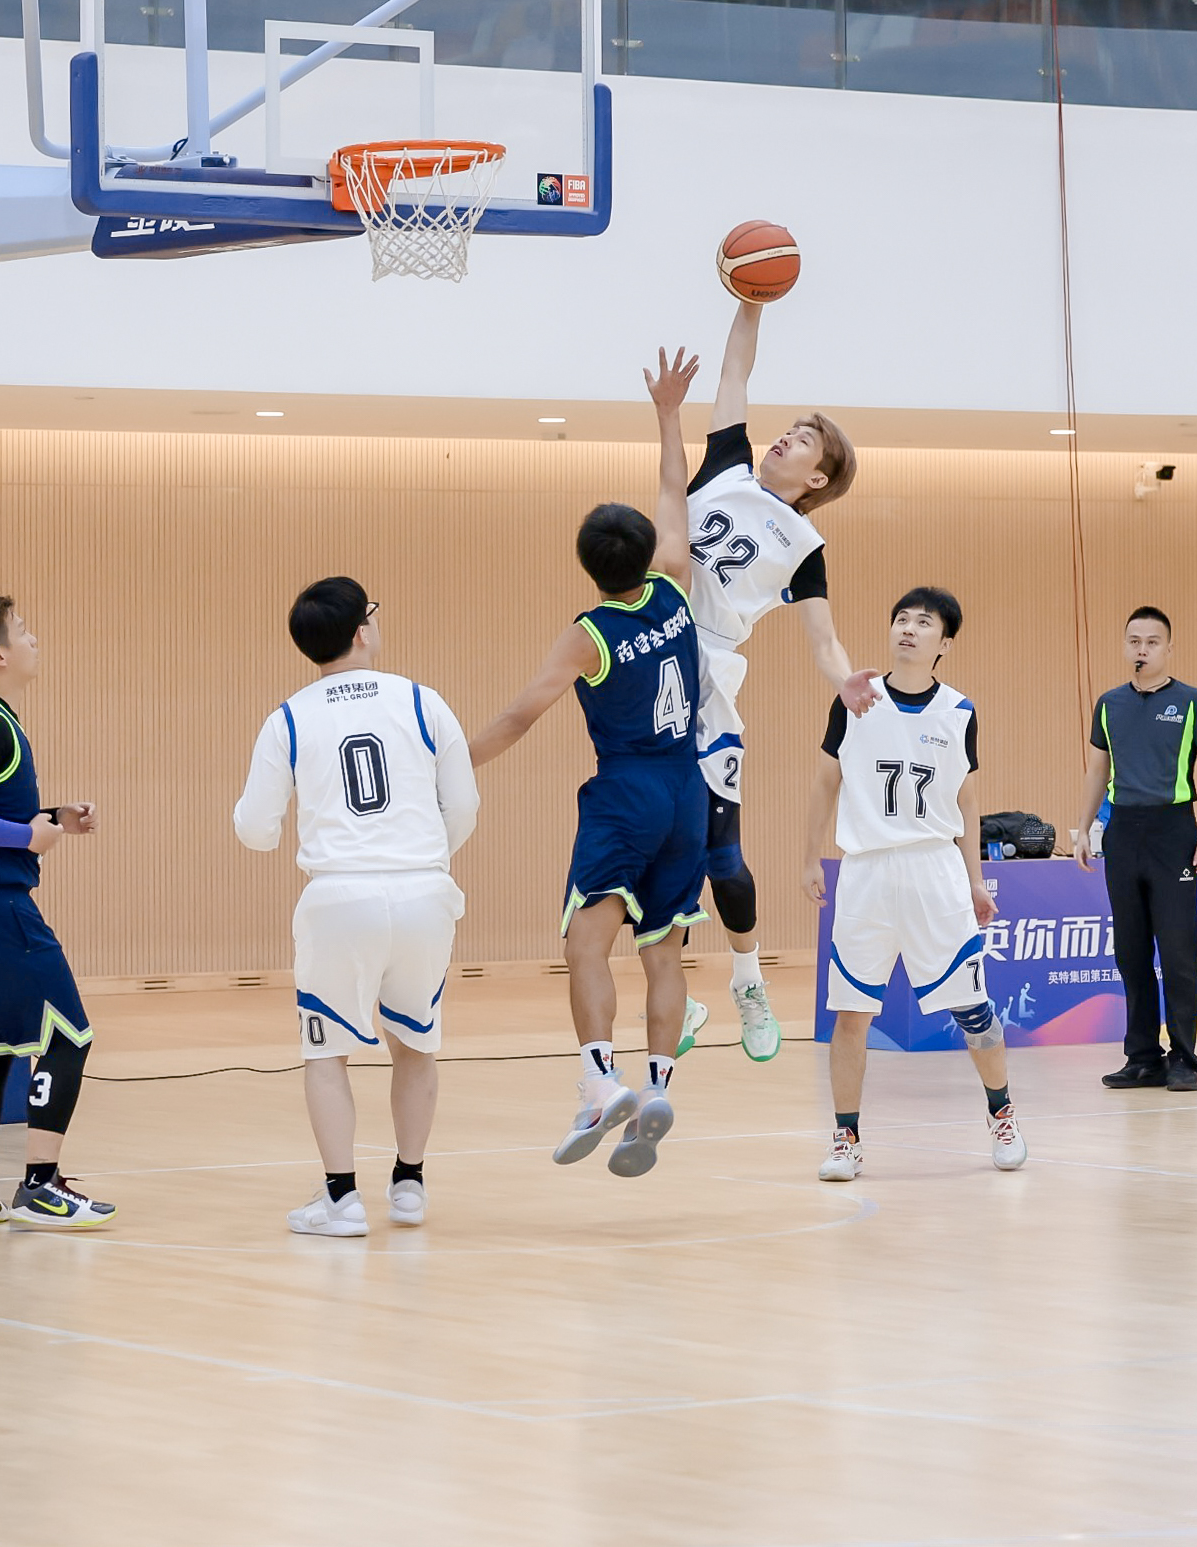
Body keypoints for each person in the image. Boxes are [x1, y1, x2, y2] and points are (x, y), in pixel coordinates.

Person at [468, 348, 706, 1178]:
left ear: (588, 565)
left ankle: (601, 1081)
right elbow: (673, 492)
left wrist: (448, 766)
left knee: (585, 943)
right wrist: (668, 414)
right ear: (643, 551)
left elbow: (518, 716)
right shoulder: (674, 586)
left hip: (627, 791)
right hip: (687, 788)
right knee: (664, 952)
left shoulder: (588, 634)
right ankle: (659, 1083)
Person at [233, 578, 480, 1238]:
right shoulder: (424, 701)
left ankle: (341, 1199)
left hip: (339, 898)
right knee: (416, 1042)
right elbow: (463, 805)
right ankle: (409, 1185)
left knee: (325, 1052)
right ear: (362, 631)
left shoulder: (288, 718)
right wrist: (422, 856)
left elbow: (255, 828)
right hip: (424, 892)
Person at [683, 296, 879, 1063]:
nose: (784, 436)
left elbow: (822, 638)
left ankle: (747, 980)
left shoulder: (803, 543)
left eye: (803, 438)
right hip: (649, 656)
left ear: (817, 474)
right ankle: (676, 991)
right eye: (788, 428)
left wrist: (845, 681)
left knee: (719, 854)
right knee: (652, 849)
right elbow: (734, 371)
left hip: (709, 678)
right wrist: (749, 302)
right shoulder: (724, 466)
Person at [802, 586, 1025, 1181]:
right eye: (901, 618)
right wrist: (809, 858)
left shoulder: (959, 711)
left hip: (935, 870)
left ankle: (1002, 1114)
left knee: (973, 1008)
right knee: (851, 1014)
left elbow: (966, 801)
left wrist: (976, 880)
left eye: (923, 622)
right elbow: (825, 783)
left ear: (944, 643)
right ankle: (846, 1138)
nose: (908, 628)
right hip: (866, 870)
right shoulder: (854, 698)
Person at [0, 594, 114, 1232]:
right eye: (23, 631)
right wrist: (28, 838)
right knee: (67, 1036)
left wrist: (53, 818)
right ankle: (40, 1184)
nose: (34, 639)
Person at [1078, 606, 1197, 1093]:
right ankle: (1143, 1057)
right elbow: (1097, 770)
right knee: (1131, 951)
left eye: (1152, 642)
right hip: (1123, 833)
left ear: (1168, 648)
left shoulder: (1192, 702)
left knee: (1178, 952)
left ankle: (1183, 1058)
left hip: (1173, 831)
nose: (1142, 650)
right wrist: (1083, 828)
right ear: (1125, 646)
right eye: (1134, 641)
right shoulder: (1109, 704)